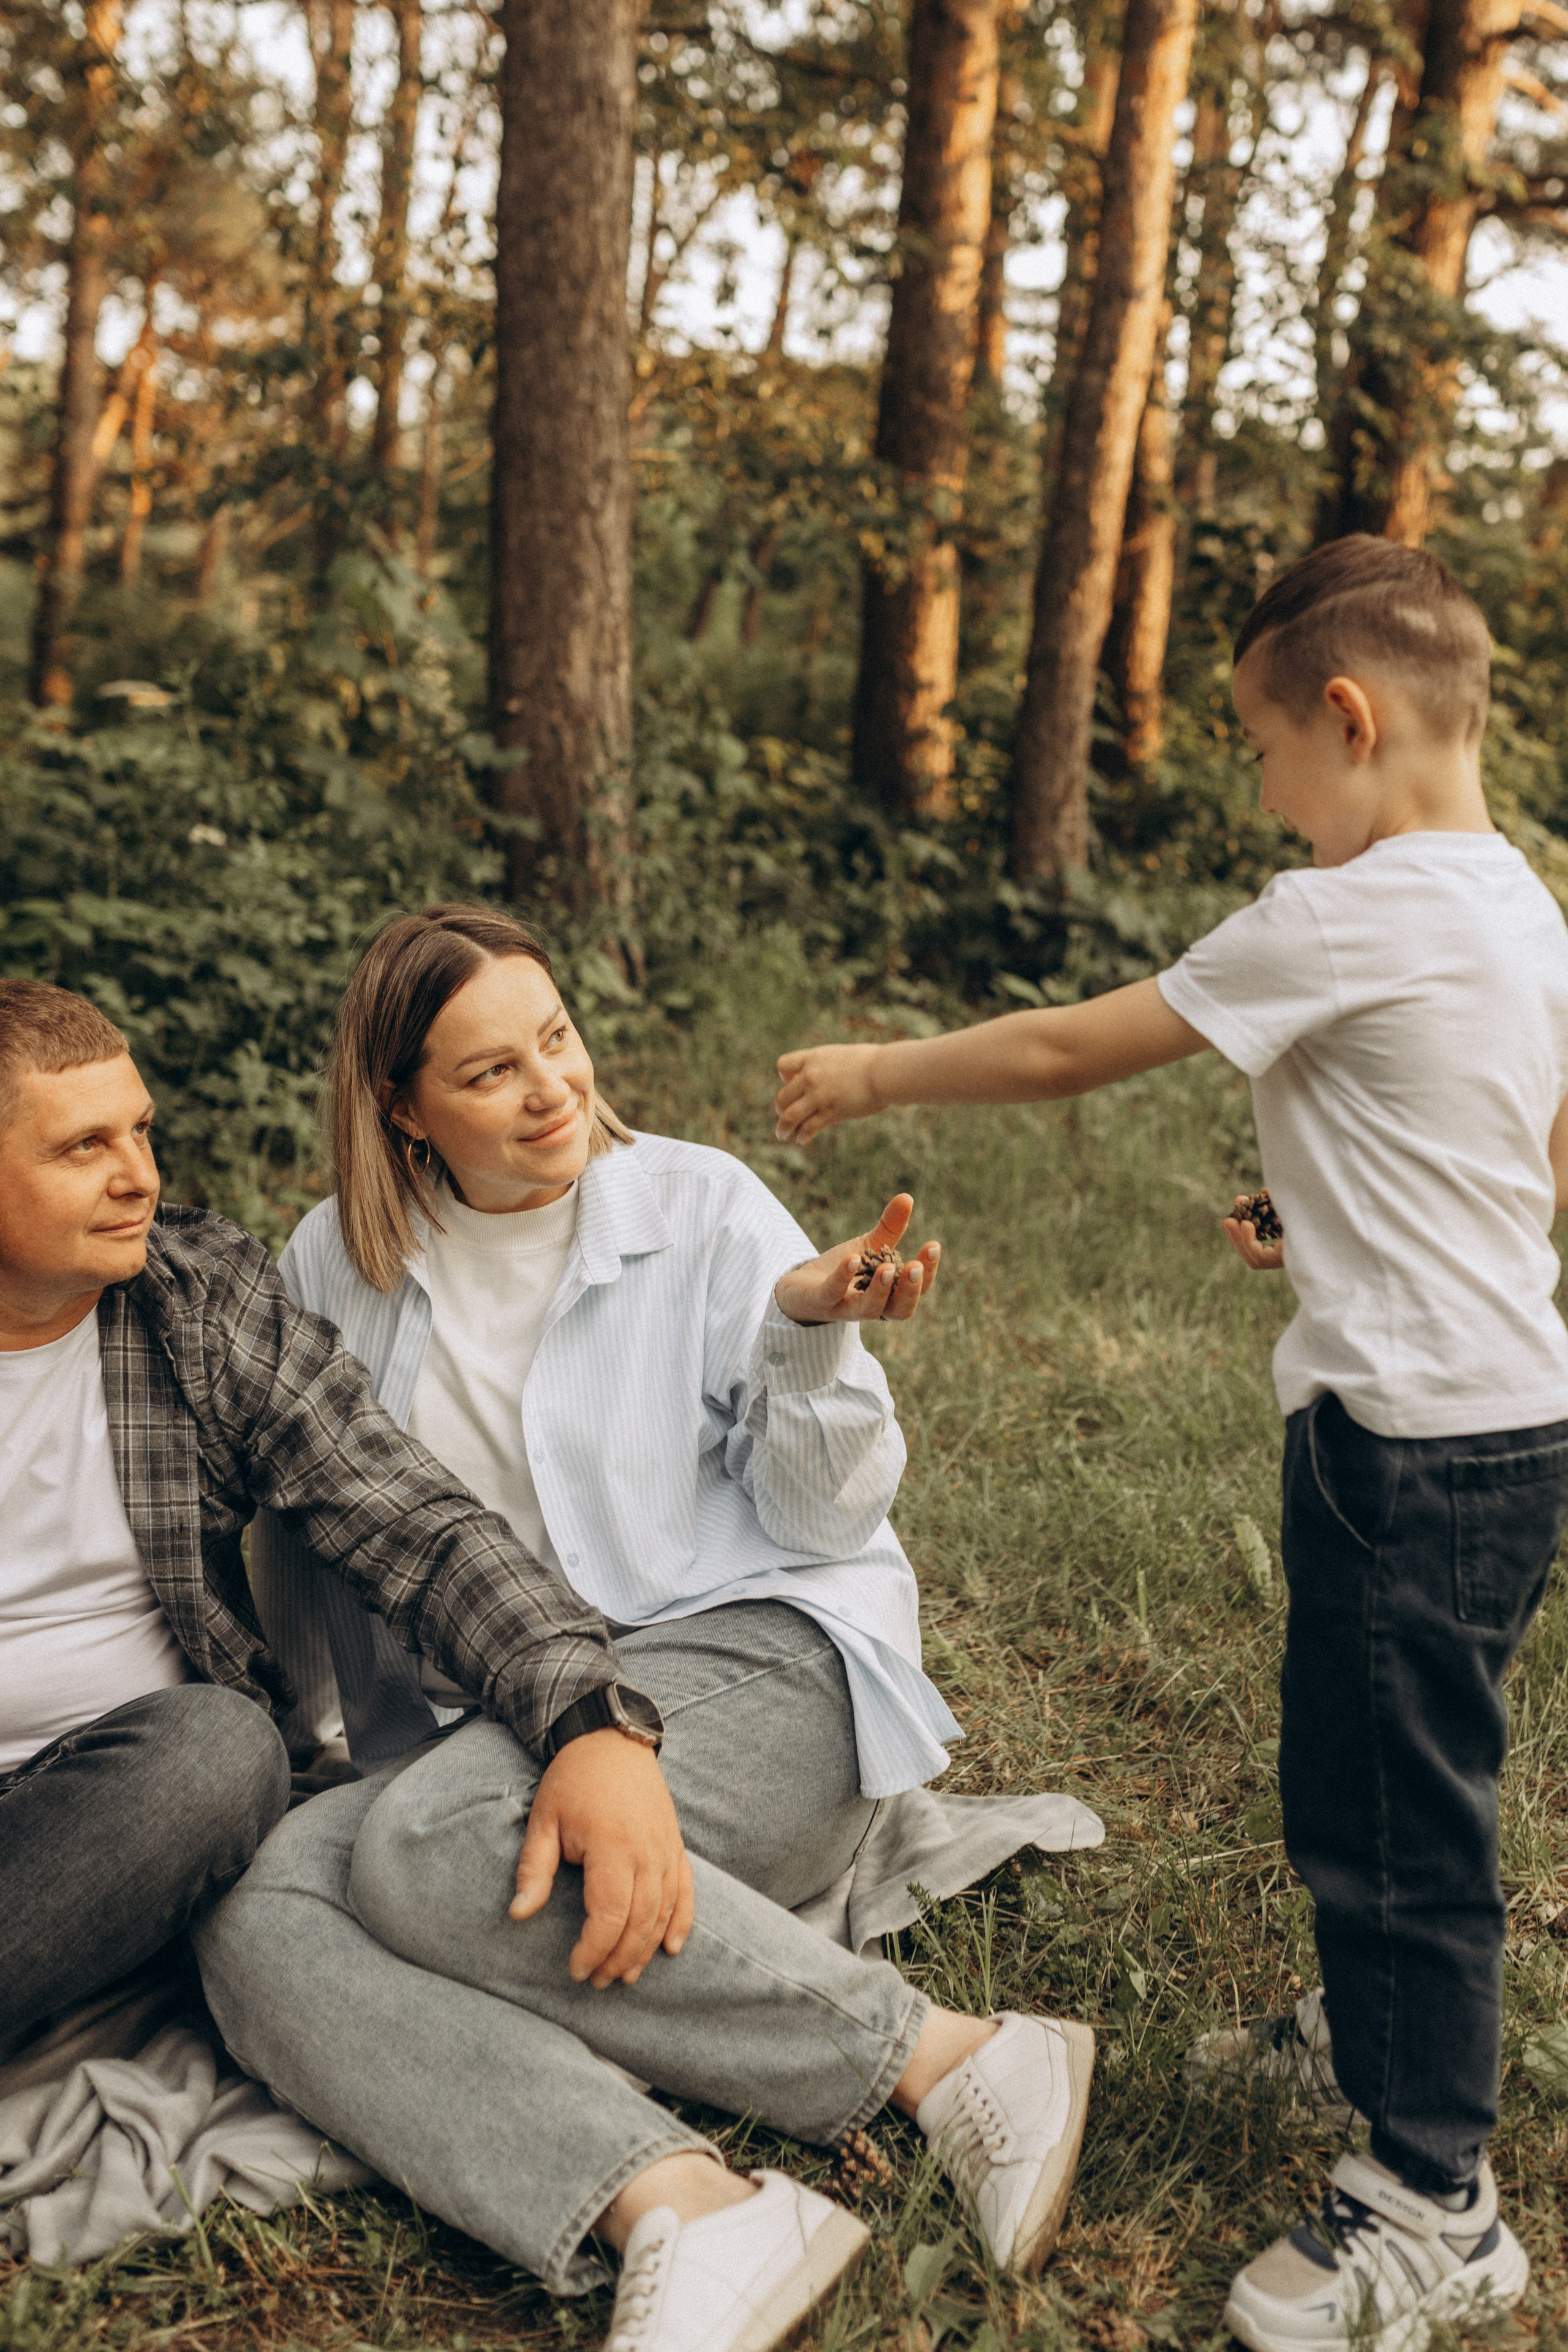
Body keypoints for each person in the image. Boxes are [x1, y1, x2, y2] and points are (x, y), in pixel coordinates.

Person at [772, 535, 1568, 2352]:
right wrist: (1337, 1218)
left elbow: (1067, 1052)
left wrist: (879, 1071)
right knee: (1374, 1773)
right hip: (1507, 1423)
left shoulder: (1338, 912)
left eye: (1264, 749)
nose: (1267, 792)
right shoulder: (1523, 906)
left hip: (1399, 1449)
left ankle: (1436, 2199)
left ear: (1351, 721)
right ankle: (1369, 2029)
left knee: (1400, 1823)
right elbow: (1527, 1160)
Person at [194, 906, 1098, 2352]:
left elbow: (820, 1525)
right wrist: (319, 1738)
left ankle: (948, 2060)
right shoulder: (332, 1262)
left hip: (760, 1668)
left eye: (555, 1040)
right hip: (496, 1731)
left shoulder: (703, 1207)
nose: (551, 1087)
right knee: (261, 1916)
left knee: (425, 1849)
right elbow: (314, 1533)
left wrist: (807, 1336)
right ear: (398, 1104)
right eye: (490, 1071)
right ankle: (680, 2204)